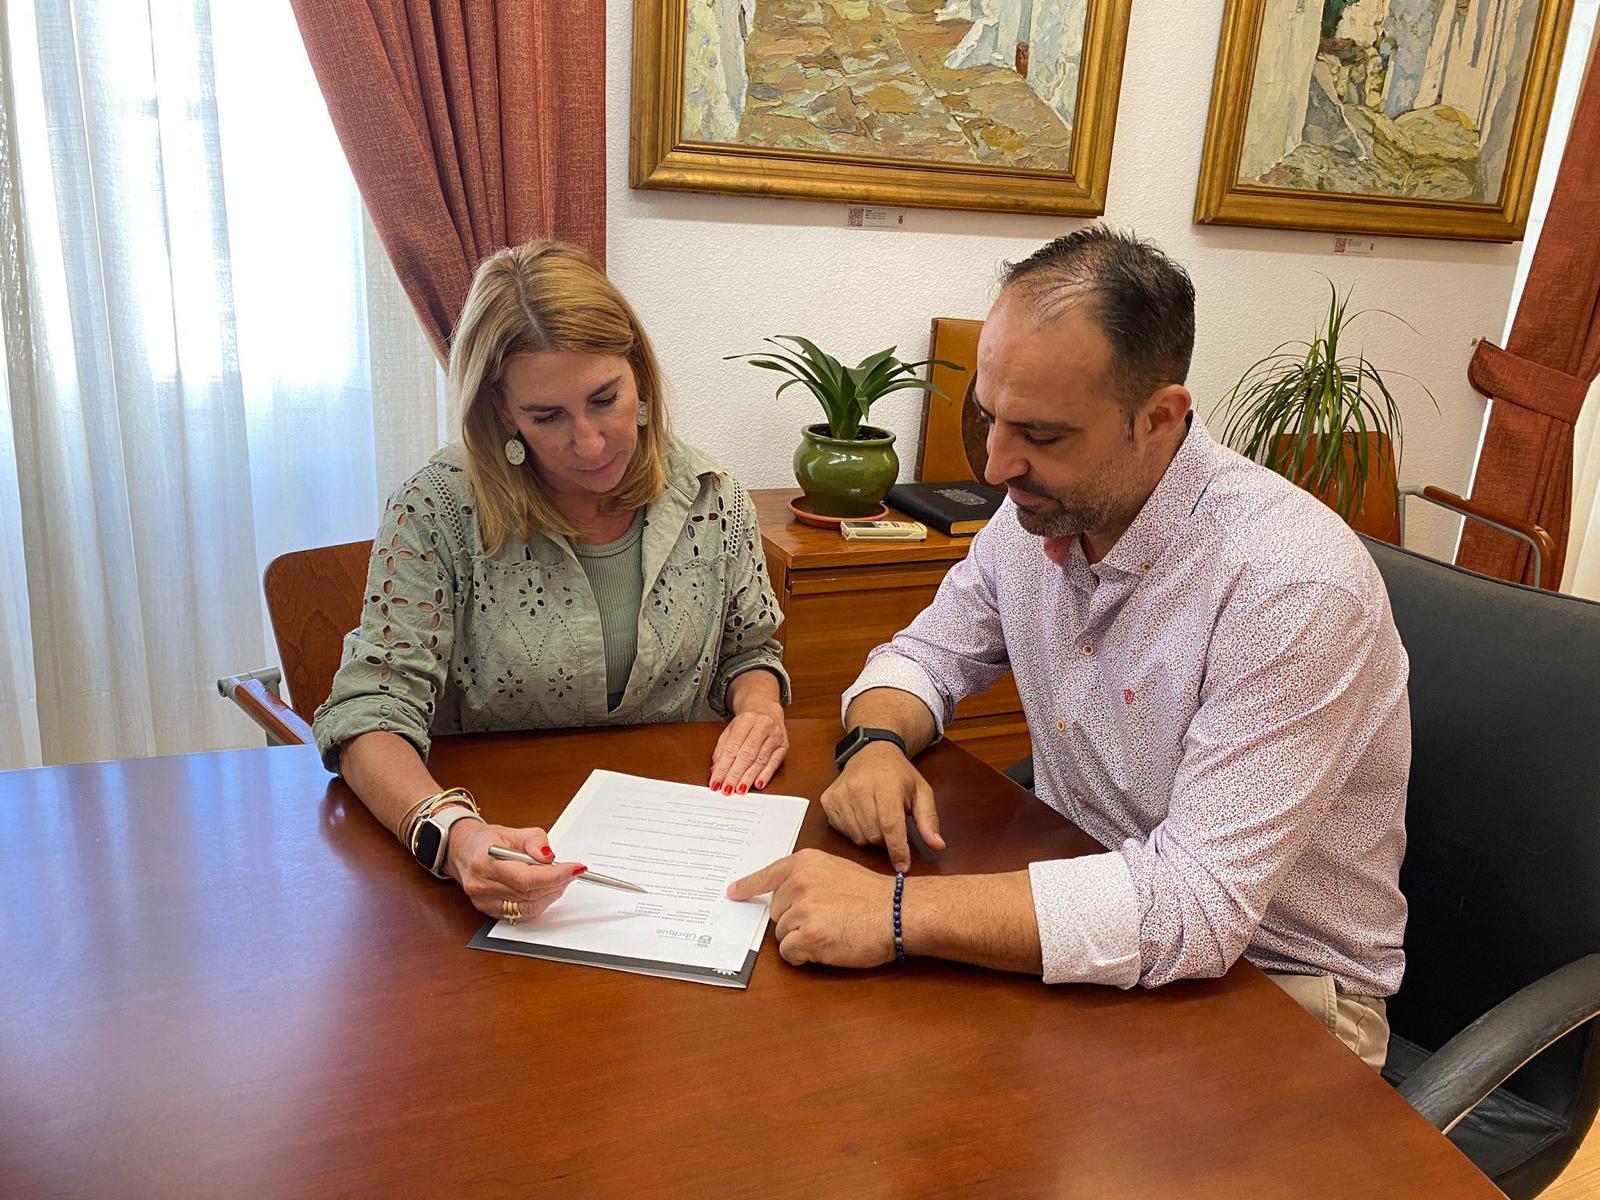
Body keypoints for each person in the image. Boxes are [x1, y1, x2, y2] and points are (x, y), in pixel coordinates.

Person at [729, 227, 1408, 1069]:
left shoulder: (1292, 586)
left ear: (1159, 418)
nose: (995, 464)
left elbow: (1194, 908)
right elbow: (924, 655)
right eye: (989, 417)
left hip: (1273, 993)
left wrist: (896, 914)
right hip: (1094, 926)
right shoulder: (1043, 513)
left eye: (1042, 435)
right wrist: (873, 745)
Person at [315, 240, 790, 926]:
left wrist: (760, 708)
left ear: (640, 377)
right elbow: (370, 712)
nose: (590, 443)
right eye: (548, 417)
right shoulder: (435, 512)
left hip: (675, 853)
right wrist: (453, 836)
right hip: (495, 845)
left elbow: (749, 652)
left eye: (605, 399)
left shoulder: (714, 498)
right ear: (502, 410)